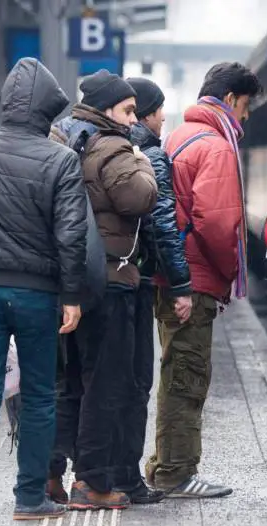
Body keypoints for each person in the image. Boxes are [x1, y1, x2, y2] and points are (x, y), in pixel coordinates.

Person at [0, 57, 87, 525]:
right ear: (48, 110)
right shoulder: (61, 159)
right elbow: (70, 235)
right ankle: (30, 497)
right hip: (36, 294)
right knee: (40, 394)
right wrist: (71, 296)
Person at [144, 62, 262, 498]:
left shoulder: (179, 135)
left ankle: (162, 464)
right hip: (193, 280)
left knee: (176, 369)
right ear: (230, 99)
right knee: (188, 376)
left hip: (172, 275)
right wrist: (229, 272)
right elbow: (215, 223)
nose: (245, 117)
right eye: (246, 105)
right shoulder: (216, 146)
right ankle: (176, 472)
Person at [48, 69, 158, 510]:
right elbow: (139, 198)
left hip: (68, 281)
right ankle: (91, 483)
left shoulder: (59, 139)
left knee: (67, 382)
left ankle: (50, 476)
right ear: (107, 108)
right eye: (128, 110)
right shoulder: (113, 146)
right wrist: (144, 162)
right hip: (111, 279)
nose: (134, 119)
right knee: (104, 383)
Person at [99, 77, 194, 501]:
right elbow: (163, 225)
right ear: (148, 113)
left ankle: (100, 473)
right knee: (135, 380)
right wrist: (180, 283)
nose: (157, 119)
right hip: (133, 281)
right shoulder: (150, 154)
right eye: (153, 111)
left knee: (105, 379)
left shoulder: (99, 146)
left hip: (102, 276)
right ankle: (125, 477)